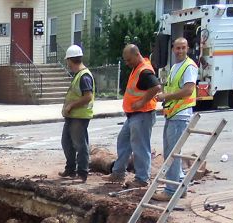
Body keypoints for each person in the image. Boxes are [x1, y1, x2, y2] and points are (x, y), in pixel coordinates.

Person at [108, 44, 162, 188]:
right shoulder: (137, 68)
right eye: (126, 60)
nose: (127, 63)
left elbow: (156, 87)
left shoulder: (144, 71)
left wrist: (142, 102)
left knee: (140, 147)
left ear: (137, 55)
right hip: (133, 116)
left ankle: (142, 179)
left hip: (142, 114)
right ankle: (118, 172)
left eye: (129, 60)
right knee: (123, 140)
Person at [153, 37, 198, 202]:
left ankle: (171, 190)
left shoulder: (189, 66)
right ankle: (180, 186)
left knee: (172, 153)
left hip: (181, 114)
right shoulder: (175, 67)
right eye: (177, 48)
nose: (180, 51)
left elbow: (188, 90)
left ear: (188, 49)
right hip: (173, 113)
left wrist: (166, 96)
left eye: (183, 48)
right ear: (173, 49)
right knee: (172, 153)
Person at [59, 44, 95, 183]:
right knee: (66, 142)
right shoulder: (79, 75)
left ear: (70, 60)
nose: (67, 63)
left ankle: (82, 172)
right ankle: (70, 169)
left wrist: (71, 105)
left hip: (80, 116)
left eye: (67, 60)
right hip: (72, 116)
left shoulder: (84, 76)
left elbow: (88, 96)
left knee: (80, 144)